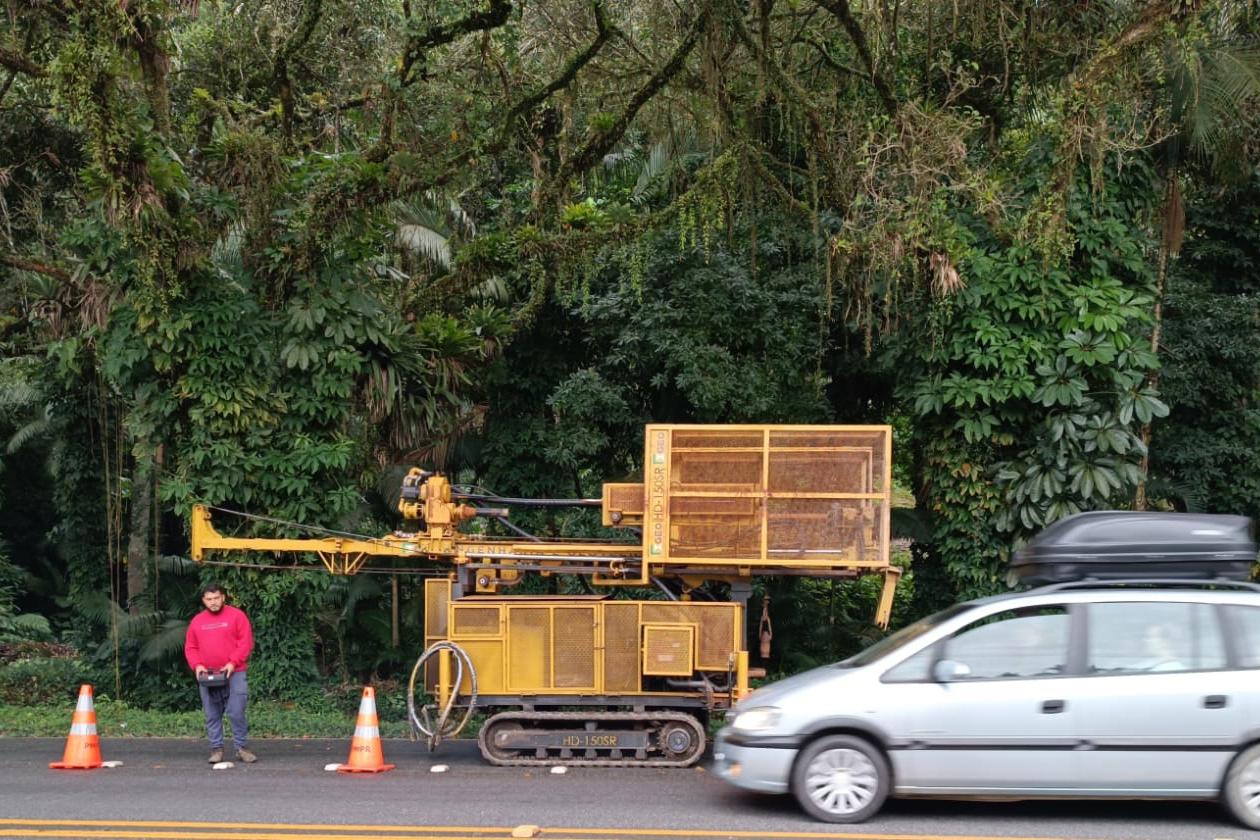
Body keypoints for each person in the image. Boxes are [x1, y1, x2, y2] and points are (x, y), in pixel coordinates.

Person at [184, 583, 256, 763]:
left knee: (236, 711)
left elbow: (245, 643)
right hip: (207, 674)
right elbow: (191, 647)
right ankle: (216, 749)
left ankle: (242, 748)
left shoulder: (237, 616)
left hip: (235, 672)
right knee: (212, 713)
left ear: (223, 597)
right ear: (204, 601)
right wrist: (197, 665)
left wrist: (232, 662)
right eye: (209, 599)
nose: (213, 602)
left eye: (216, 598)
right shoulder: (197, 621)